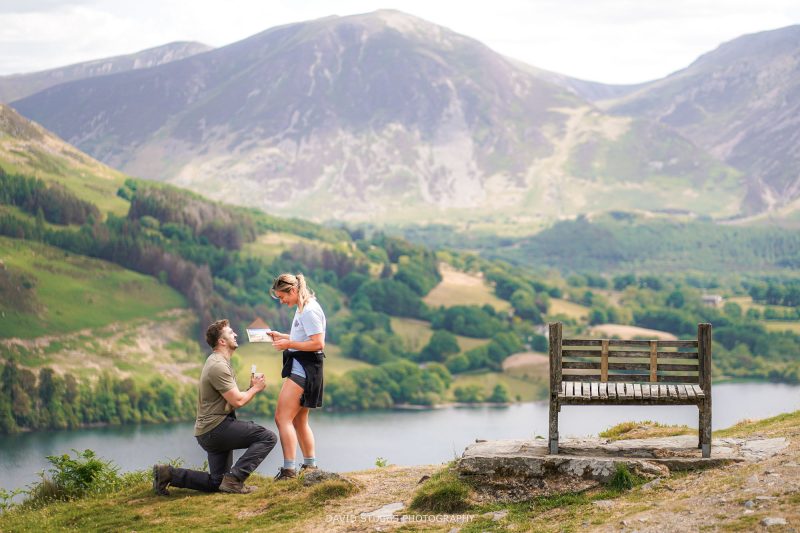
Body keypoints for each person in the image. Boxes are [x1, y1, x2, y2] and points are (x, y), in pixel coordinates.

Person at [152, 319, 277, 495]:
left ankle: (167, 474)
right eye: (230, 332)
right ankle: (234, 479)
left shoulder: (220, 362)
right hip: (216, 429)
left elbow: (233, 399)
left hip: (210, 429)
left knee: (217, 482)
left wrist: (250, 389)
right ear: (222, 341)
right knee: (268, 437)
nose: (235, 334)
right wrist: (256, 389)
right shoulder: (218, 365)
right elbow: (238, 402)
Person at [269, 273, 326, 480]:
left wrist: (289, 344)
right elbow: (304, 337)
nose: (282, 302)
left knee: (282, 417)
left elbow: (318, 343)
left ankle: (289, 470)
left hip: (303, 369)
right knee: (299, 420)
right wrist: (283, 337)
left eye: (282, 297)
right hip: (307, 369)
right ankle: (310, 466)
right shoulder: (303, 308)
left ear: (292, 291)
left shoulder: (309, 311)